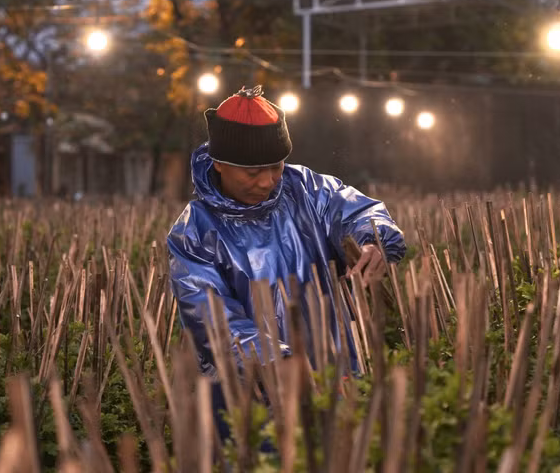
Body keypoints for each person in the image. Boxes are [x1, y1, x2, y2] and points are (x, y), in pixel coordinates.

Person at [166, 85, 406, 444]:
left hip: (332, 372)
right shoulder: (194, 230)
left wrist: (374, 241)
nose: (266, 181)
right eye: (252, 172)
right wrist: (278, 361)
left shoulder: (308, 190)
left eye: (275, 167)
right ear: (219, 163)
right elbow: (210, 316)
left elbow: (360, 211)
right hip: (248, 392)